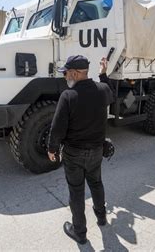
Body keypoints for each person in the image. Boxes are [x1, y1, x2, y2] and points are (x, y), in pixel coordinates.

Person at [47, 55, 114, 245]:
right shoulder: (102, 90)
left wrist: (52, 148)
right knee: (96, 183)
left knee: (76, 192)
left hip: (74, 153)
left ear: (75, 73)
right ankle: (101, 218)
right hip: (96, 151)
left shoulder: (68, 96)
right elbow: (111, 93)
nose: (65, 76)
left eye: (67, 73)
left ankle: (80, 234)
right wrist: (103, 74)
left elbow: (57, 126)